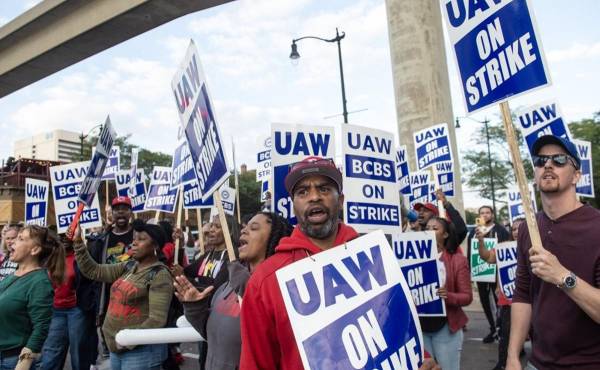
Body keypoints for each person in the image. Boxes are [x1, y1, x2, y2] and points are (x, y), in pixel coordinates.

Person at [240, 156, 359, 369]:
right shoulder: (265, 281)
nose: (314, 197)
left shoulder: (375, 257)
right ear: (293, 205)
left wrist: (420, 358)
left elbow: (399, 329)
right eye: (302, 192)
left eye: (324, 189)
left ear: (340, 200)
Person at [508, 136, 600, 370]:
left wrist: (562, 276)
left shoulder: (596, 227)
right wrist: (512, 356)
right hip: (537, 363)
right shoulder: (529, 228)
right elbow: (522, 295)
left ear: (577, 175)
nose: (548, 165)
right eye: (540, 161)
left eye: (559, 160)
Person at [175, 212, 293, 369]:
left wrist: (247, 286)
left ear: (275, 238)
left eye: (254, 228)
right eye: (245, 227)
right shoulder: (229, 283)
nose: (243, 231)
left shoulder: (282, 287)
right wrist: (195, 306)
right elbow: (210, 333)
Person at [73, 219, 173, 370]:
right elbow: (94, 271)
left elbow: (157, 320)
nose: (134, 243)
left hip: (140, 353)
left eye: (141, 239)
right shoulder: (129, 266)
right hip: (117, 348)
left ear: (156, 246)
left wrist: (128, 340)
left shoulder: (160, 274)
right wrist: (78, 242)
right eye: (134, 239)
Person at [0, 225, 65, 370]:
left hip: (11, 361)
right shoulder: (13, 275)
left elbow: (41, 326)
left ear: (34, 250)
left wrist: (25, 360)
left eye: (20, 238)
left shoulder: (39, 282)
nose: (12, 242)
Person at [183, 215, 235, 370]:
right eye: (211, 225)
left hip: (217, 317)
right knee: (204, 361)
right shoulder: (208, 255)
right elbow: (187, 272)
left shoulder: (232, 256)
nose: (211, 230)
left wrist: (194, 285)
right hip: (202, 314)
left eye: (217, 226)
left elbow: (214, 289)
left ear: (229, 231)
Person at [421, 216, 472, 370]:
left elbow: (467, 297)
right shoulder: (412, 259)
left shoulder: (457, 260)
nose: (429, 231)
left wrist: (447, 295)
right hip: (421, 328)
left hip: (445, 328)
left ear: (445, 235)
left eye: (435, 228)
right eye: (427, 228)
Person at [41, 235, 99, 370]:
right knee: (51, 352)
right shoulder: (49, 258)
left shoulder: (82, 258)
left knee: (78, 351)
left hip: (77, 309)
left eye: (68, 236)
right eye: (61, 237)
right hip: (55, 310)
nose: (65, 239)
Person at [477, 217, 525, 370]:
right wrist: (481, 241)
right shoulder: (503, 248)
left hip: (532, 301)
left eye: (520, 228)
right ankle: (503, 364)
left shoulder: (536, 247)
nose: (517, 232)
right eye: (514, 229)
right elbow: (487, 257)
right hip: (508, 302)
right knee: (505, 334)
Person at [467, 205, 511, 343]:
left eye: (487, 212)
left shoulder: (500, 231)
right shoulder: (474, 232)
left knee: (499, 303)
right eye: (482, 213)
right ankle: (493, 328)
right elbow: (470, 252)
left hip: (496, 274)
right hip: (480, 273)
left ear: (492, 214)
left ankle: (502, 329)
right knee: (485, 302)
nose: (485, 215)